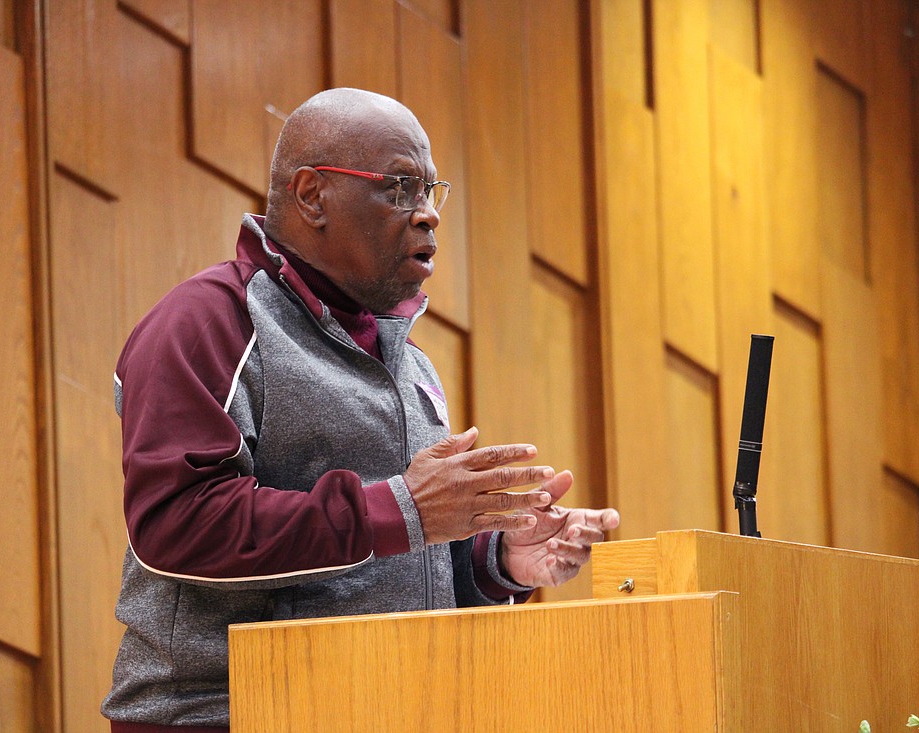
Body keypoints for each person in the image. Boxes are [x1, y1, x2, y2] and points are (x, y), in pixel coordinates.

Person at [102, 88, 620, 732]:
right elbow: (176, 528)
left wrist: (496, 564)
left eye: (432, 191)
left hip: (387, 708)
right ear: (313, 194)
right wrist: (401, 508)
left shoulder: (413, 365)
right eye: (400, 187)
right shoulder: (210, 322)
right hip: (225, 714)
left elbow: (375, 567)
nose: (428, 215)